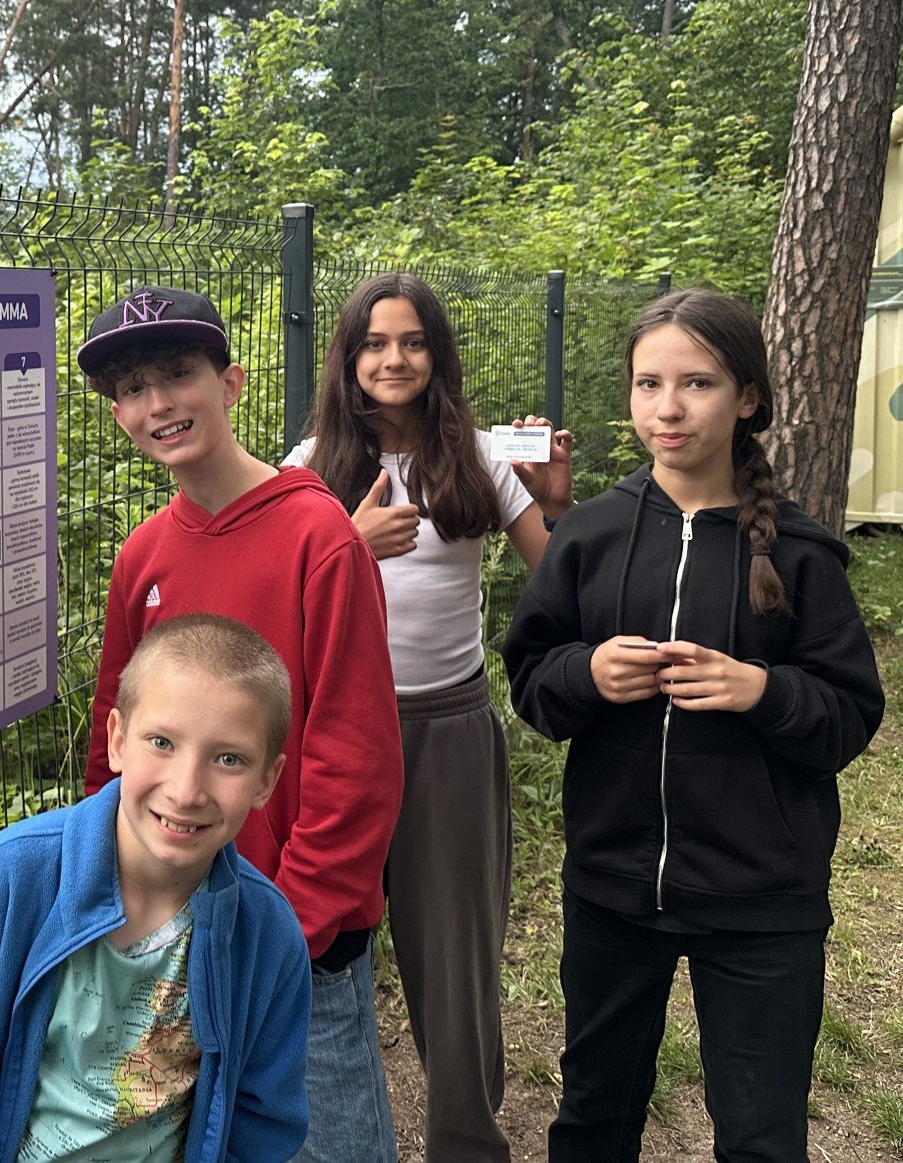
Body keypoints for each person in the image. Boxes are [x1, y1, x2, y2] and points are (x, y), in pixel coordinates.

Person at [502, 288, 884, 1162]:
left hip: (762, 899)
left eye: (697, 383)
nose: (667, 409)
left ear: (747, 398)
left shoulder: (800, 552)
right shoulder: (589, 536)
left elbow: (849, 716)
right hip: (612, 887)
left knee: (760, 1137)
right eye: (649, 385)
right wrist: (588, 673)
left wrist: (762, 691)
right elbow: (532, 681)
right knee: (593, 1118)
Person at [80, 284, 404, 1162]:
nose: (158, 403)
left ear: (231, 383)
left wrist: (290, 930)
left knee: (328, 1142)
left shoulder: (319, 538)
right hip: (176, 921)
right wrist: (114, 892)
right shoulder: (143, 557)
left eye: (178, 374)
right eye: (133, 388)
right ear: (118, 415)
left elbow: (356, 760)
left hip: (301, 940)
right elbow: (117, 740)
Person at [282, 271, 572, 1162]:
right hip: (334, 735)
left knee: (456, 957)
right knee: (321, 948)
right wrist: (345, 544)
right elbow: (274, 604)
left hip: (447, 731)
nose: (394, 359)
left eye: (412, 342)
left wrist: (555, 505)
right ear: (348, 358)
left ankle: (466, 1141)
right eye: (374, 343)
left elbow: (560, 582)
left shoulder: (481, 457)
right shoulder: (307, 469)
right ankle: (323, 1135)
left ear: (438, 356)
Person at [0, 614, 312, 1162]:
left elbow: (263, 1125)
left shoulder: (270, 939)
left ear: (266, 781)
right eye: (162, 742)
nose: (186, 790)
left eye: (228, 759)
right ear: (116, 740)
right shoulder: (4, 886)